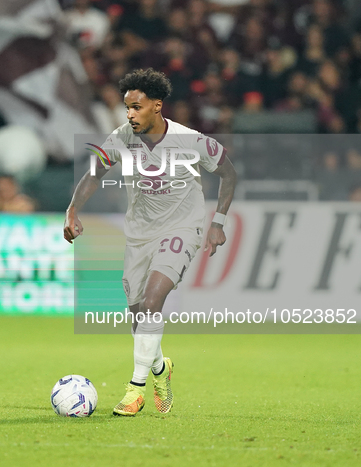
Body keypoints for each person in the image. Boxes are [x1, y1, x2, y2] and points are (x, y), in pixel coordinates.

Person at [63, 68, 237, 416]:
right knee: (138, 315)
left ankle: (135, 390)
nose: (130, 114)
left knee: (154, 300)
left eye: (137, 108)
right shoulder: (121, 138)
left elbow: (228, 173)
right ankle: (160, 368)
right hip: (139, 235)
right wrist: (72, 211)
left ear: (157, 106)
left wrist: (217, 222)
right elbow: (94, 173)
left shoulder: (192, 141)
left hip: (182, 228)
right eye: (127, 107)